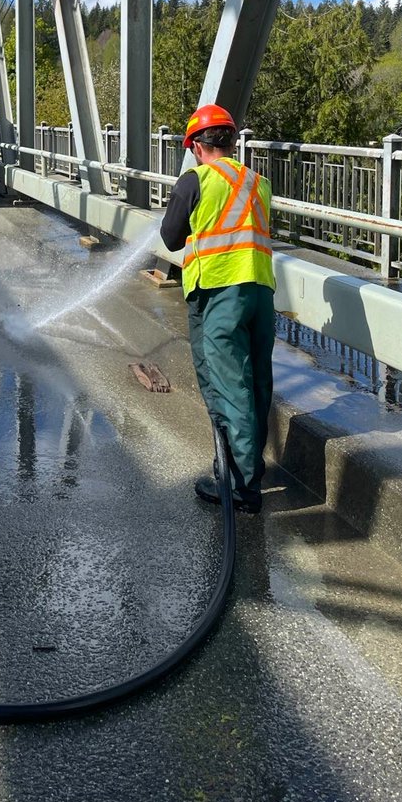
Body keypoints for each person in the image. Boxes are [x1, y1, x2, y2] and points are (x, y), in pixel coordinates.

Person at [159, 104, 275, 515]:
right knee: (257, 383)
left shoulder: (197, 179)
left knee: (229, 385)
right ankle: (247, 467)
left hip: (219, 291)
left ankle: (242, 486)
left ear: (195, 146)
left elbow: (171, 238)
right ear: (229, 139)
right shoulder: (258, 182)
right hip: (260, 292)